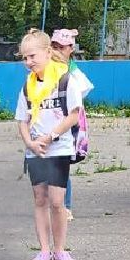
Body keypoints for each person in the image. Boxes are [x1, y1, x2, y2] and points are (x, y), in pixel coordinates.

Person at [16, 27, 83, 260]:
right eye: (25, 57)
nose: (28, 62)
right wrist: (30, 143)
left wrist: (51, 136)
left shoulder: (64, 79)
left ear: (47, 52)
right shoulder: (27, 86)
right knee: (40, 199)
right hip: (36, 151)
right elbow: (21, 120)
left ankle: (60, 250)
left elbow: (73, 115)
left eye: (32, 56)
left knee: (57, 201)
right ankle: (44, 250)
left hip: (58, 148)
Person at [50, 28, 92, 220]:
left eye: (62, 47)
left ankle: (65, 206)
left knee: (62, 163)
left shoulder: (72, 69)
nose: (58, 50)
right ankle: (53, 203)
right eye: (54, 46)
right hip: (52, 118)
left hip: (70, 119)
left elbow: (83, 89)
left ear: (71, 48)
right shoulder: (47, 67)